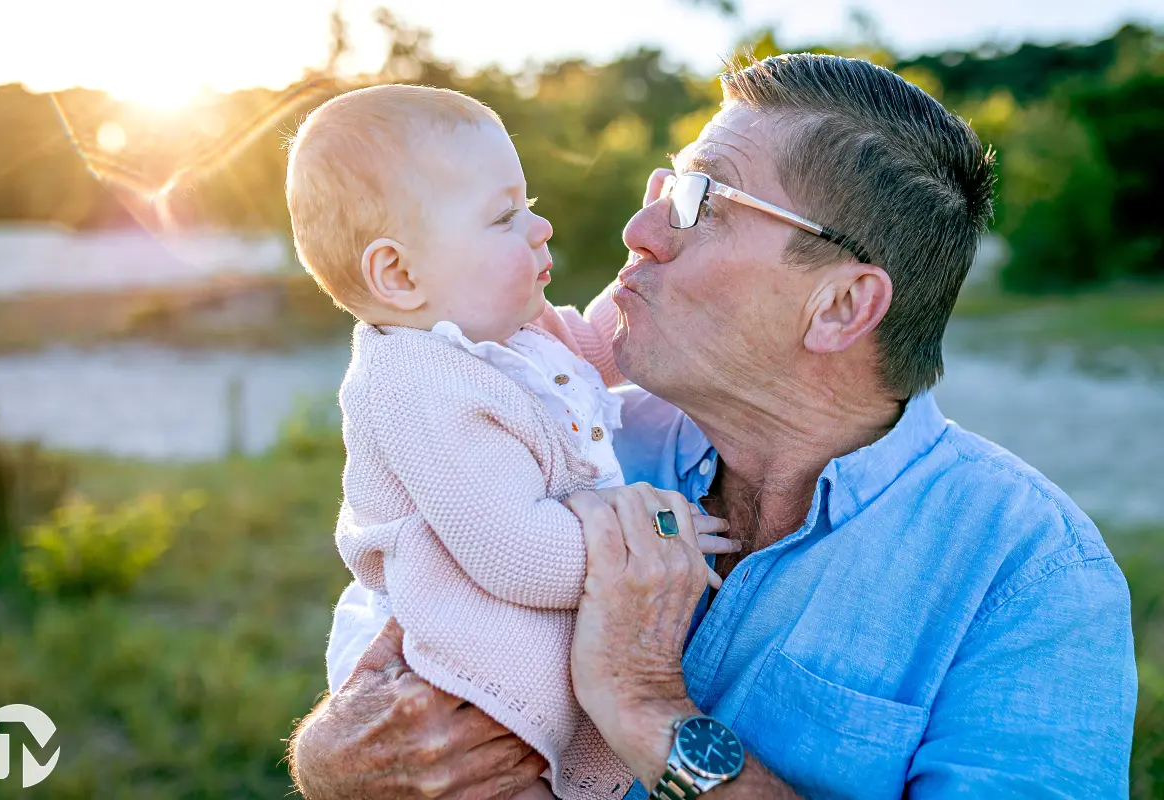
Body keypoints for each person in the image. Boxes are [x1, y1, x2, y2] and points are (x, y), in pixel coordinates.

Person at [289, 55, 1137, 799]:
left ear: (841, 305)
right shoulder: (572, 431)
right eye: (663, 185)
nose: (640, 230)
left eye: (699, 199)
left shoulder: (1031, 578)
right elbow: (400, 641)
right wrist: (334, 759)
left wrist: (650, 708)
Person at [284, 84, 734, 800]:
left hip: (502, 666)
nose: (540, 226)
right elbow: (515, 553)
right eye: (503, 216)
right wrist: (650, 541)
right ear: (397, 274)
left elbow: (596, 348)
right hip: (450, 677)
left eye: (528, 202)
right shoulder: (415, 381)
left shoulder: (511, 331)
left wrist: (649, 280)